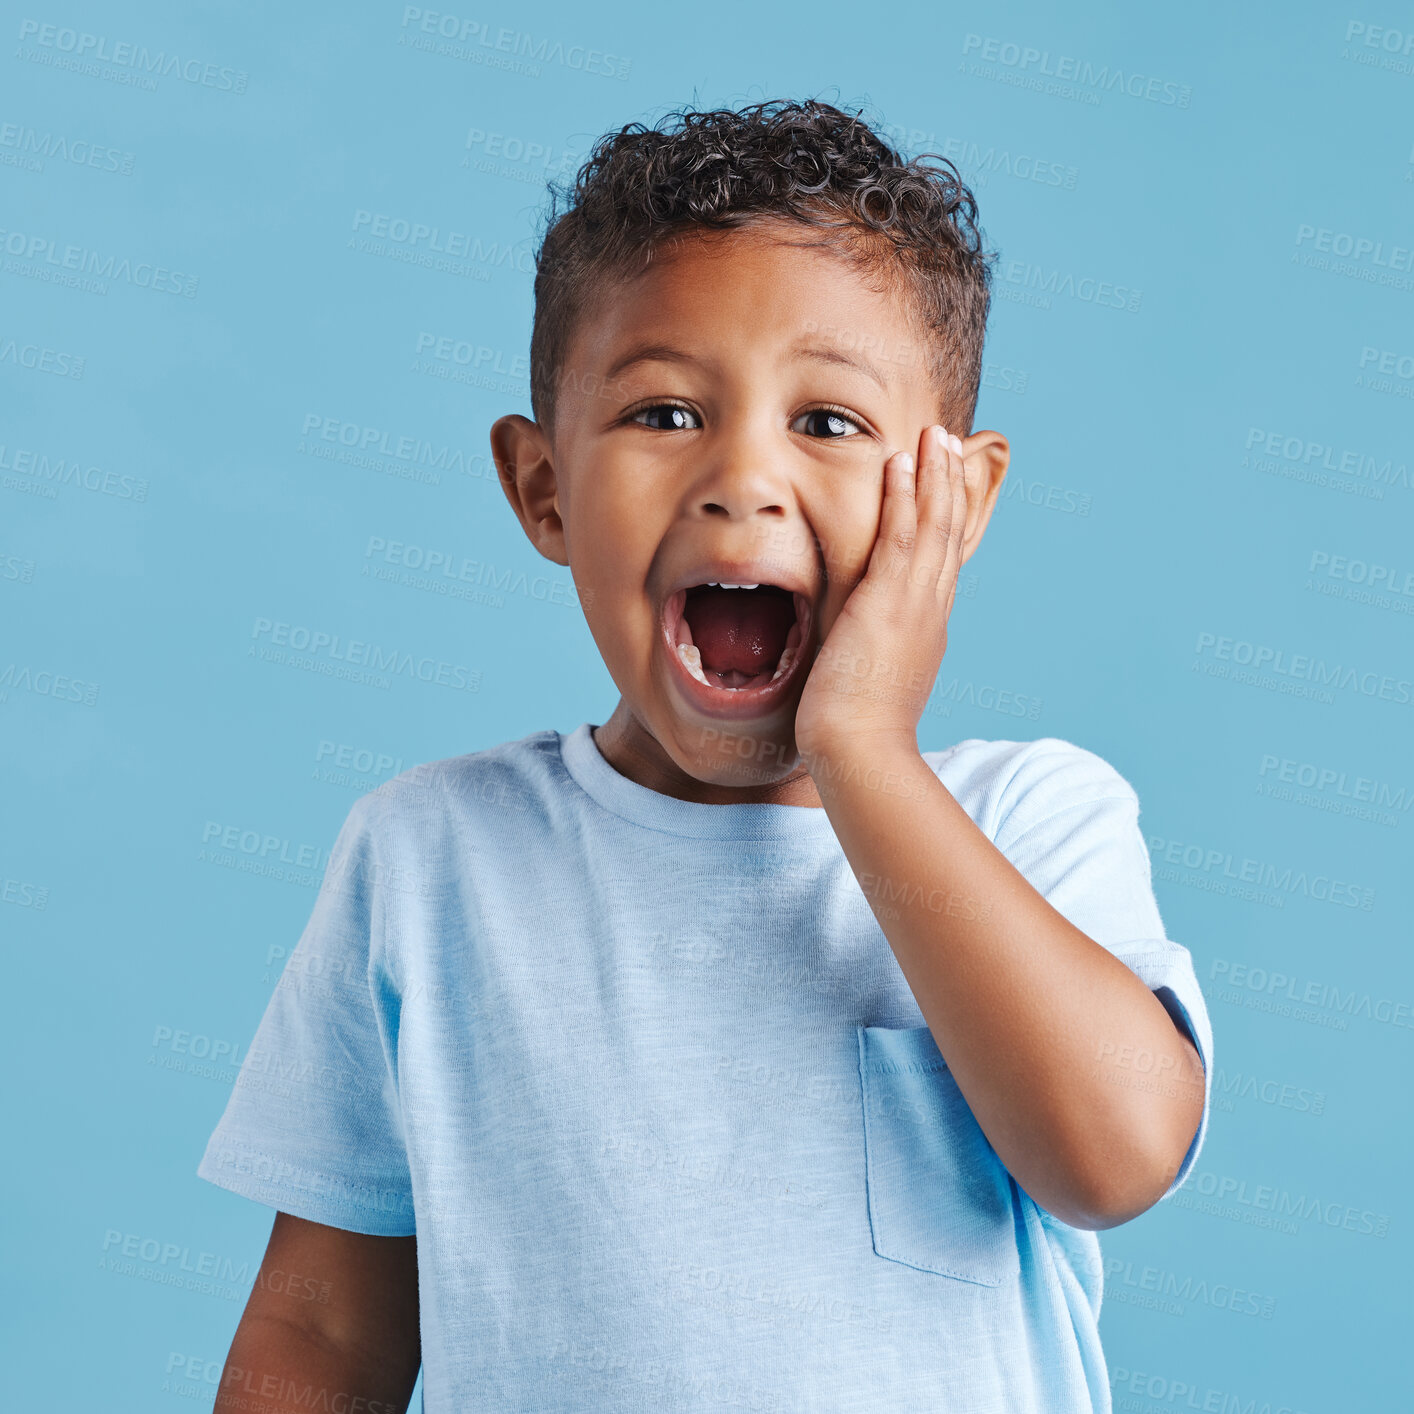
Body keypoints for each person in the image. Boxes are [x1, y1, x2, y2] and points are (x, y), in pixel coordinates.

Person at [197, 98, 1212, 1413]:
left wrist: (862, 752)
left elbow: (1116, 1154)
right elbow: (324, 1333)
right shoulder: (426, 856)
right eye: (665, 412)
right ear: (541, 487)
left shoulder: (1028, 814)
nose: (742, 478)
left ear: (956, 501)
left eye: (829, 423)